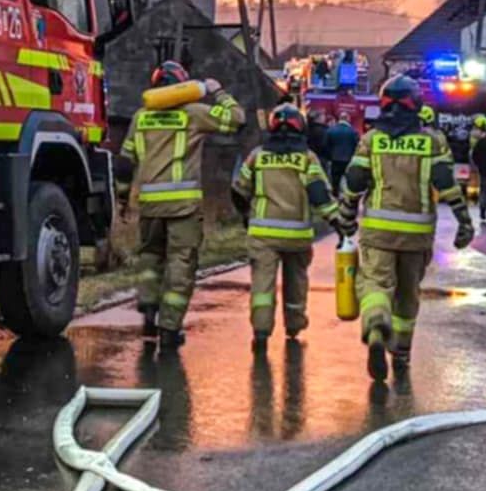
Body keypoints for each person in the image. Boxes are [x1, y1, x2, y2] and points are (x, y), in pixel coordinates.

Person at [342, 74, 475, 382]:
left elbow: (354, 183)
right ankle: (401, 354)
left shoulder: (371, 140)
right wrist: (464, 221)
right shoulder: (433, 141)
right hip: (416, 235)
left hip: (378, 232)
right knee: (407, 296)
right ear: (416, 105)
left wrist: (347, 217)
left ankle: (376, 326)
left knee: (375, 284)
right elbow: (446, 183)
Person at [129, 60, 243, 349]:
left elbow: (124, 160)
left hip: (150, 206)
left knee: (150, 257)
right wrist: (218, 91)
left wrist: (120, 198)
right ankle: (169, 329)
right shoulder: (195, 113)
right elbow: (236, 118)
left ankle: (148, 304)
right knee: (181, 263)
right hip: (183, 207)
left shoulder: (140, 117)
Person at [230, 105, 350, 348]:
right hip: (297, 235)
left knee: (262, 285)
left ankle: (261, 332)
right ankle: (294, 326)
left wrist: (245, 215)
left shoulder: (257, 155)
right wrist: (338, 223)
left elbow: (238, 190)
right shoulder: (307, 158)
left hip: (262, 234)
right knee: (296, 281)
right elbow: (319, 195)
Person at [324, 113, 359, 196]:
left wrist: (330, 156)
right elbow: (357, 146)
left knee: (335, 180)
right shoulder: (353, 131)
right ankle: (348, 197)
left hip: (335, 159)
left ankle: (335, 195)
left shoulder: (330, 130)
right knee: (349, 180)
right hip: (349, 160)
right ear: (348, 119)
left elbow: (326, 145)